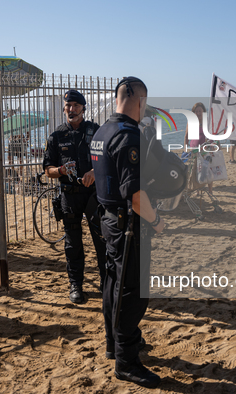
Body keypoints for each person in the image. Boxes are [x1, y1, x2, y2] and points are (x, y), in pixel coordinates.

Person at [90, 77, 163, 388]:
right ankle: (126, 361)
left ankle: (114, 343)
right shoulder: (129, 135)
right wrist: (157, 221)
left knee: (112, 283)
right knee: (132, 292)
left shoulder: (102, 131)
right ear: (140, 101)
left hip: (107, 220)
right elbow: (134, 192)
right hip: (127, 225)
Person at [42, 89, 106, 304]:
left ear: (83, 109)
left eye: (76, 106)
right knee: (73, 244)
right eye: (68, 106)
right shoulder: (56, 136)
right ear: (64, 109)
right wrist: (60, 171)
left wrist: (94, 172)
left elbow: (108, 160)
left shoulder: (95, 131)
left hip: (93, 195)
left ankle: (108, 283)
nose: (71, 110)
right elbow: (47, 170)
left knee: (102, 240)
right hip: (69, 196)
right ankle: (76, 285)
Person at [184, 102, 214, 193]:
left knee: (207, 170)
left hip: (205, 149)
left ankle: (210, 190)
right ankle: (197, 190)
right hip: (194, 149)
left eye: (200, 111)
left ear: (203, 111)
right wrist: (185, 149)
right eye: (196, 111)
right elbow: (186, 136)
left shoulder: (207, 121)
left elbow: (212, 136)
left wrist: (213, 146)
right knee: (195, 170)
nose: (198, 113)